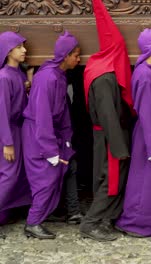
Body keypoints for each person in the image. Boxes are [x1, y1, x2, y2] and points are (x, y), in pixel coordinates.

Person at [80, 0, 133, 242]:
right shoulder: (103, 77)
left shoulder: (100, 69)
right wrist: (120, 147)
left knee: (110, 179)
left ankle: (105, 221)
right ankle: (90, 223)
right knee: (109, 180)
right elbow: (108, 114)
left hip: (107, 135)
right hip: (109, 136)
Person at [115, 28, 151, 238]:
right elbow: (146, 111)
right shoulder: (143, 75)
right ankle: (136, 223)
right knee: (146, 179)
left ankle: (149, 222)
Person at [22, 31, 80, 239]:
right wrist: (50, 150)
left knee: (60, 171)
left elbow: (62, 112)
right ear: (65, 56)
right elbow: (43, 116)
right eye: (76, 55)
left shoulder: (59, 76)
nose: (78, 59)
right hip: (38, 133)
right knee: (45, 177)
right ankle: (33, 223)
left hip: (51, 132)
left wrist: (65, 139)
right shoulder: (47, 78)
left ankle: (47, 212)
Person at [0, 31, 31, 239]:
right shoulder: (3, 77)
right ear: (8, 51)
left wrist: (28, 81)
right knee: (8, 175)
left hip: (18, 130)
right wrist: (7, 143)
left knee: (18, 173)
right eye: (19, 47)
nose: (25, 50)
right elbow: (1, 111)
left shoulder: (17, 73)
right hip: (8, 131)